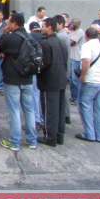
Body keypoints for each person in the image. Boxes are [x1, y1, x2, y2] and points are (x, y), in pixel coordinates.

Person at [0, 12, 37, 151]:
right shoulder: (30, 37)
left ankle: (14, 141)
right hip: (28, 78)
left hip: (12, 78)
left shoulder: (11, 38)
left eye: (9, 22)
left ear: (14, 23)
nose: (7, 25)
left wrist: (4, 34)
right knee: (29, 110)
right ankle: (32, 140)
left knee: (14, 110)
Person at [36, 17, 68, 147]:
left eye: (43, 26)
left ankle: (50, 137)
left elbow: (44, 63)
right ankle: (59, 135)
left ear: (49, 28)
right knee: (59, 109)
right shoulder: (61, 42)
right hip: (60, 79)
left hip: (49, 81)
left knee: (49, 110)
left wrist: (36, 70)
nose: (41, 28)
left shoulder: (46, 43)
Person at [75, 27, 100, 143]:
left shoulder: (87, 46)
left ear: (86, 36)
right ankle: (99, 134)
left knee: (85, 106)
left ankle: (89, 133)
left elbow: (86, 61)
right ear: (98, 36)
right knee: (99, 108)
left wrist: (83, 76)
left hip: (90, 80)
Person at [68, 18, 85, 104]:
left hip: (76, 58)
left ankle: (77, 98)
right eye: (71, 22)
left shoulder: (79, 32)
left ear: (78, 24)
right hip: (70, 57)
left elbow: (71, 43)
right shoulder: (71, 31)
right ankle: (73, 96)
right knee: (71, 79)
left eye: (73, 23)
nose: (71, 24)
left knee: (75, 79)